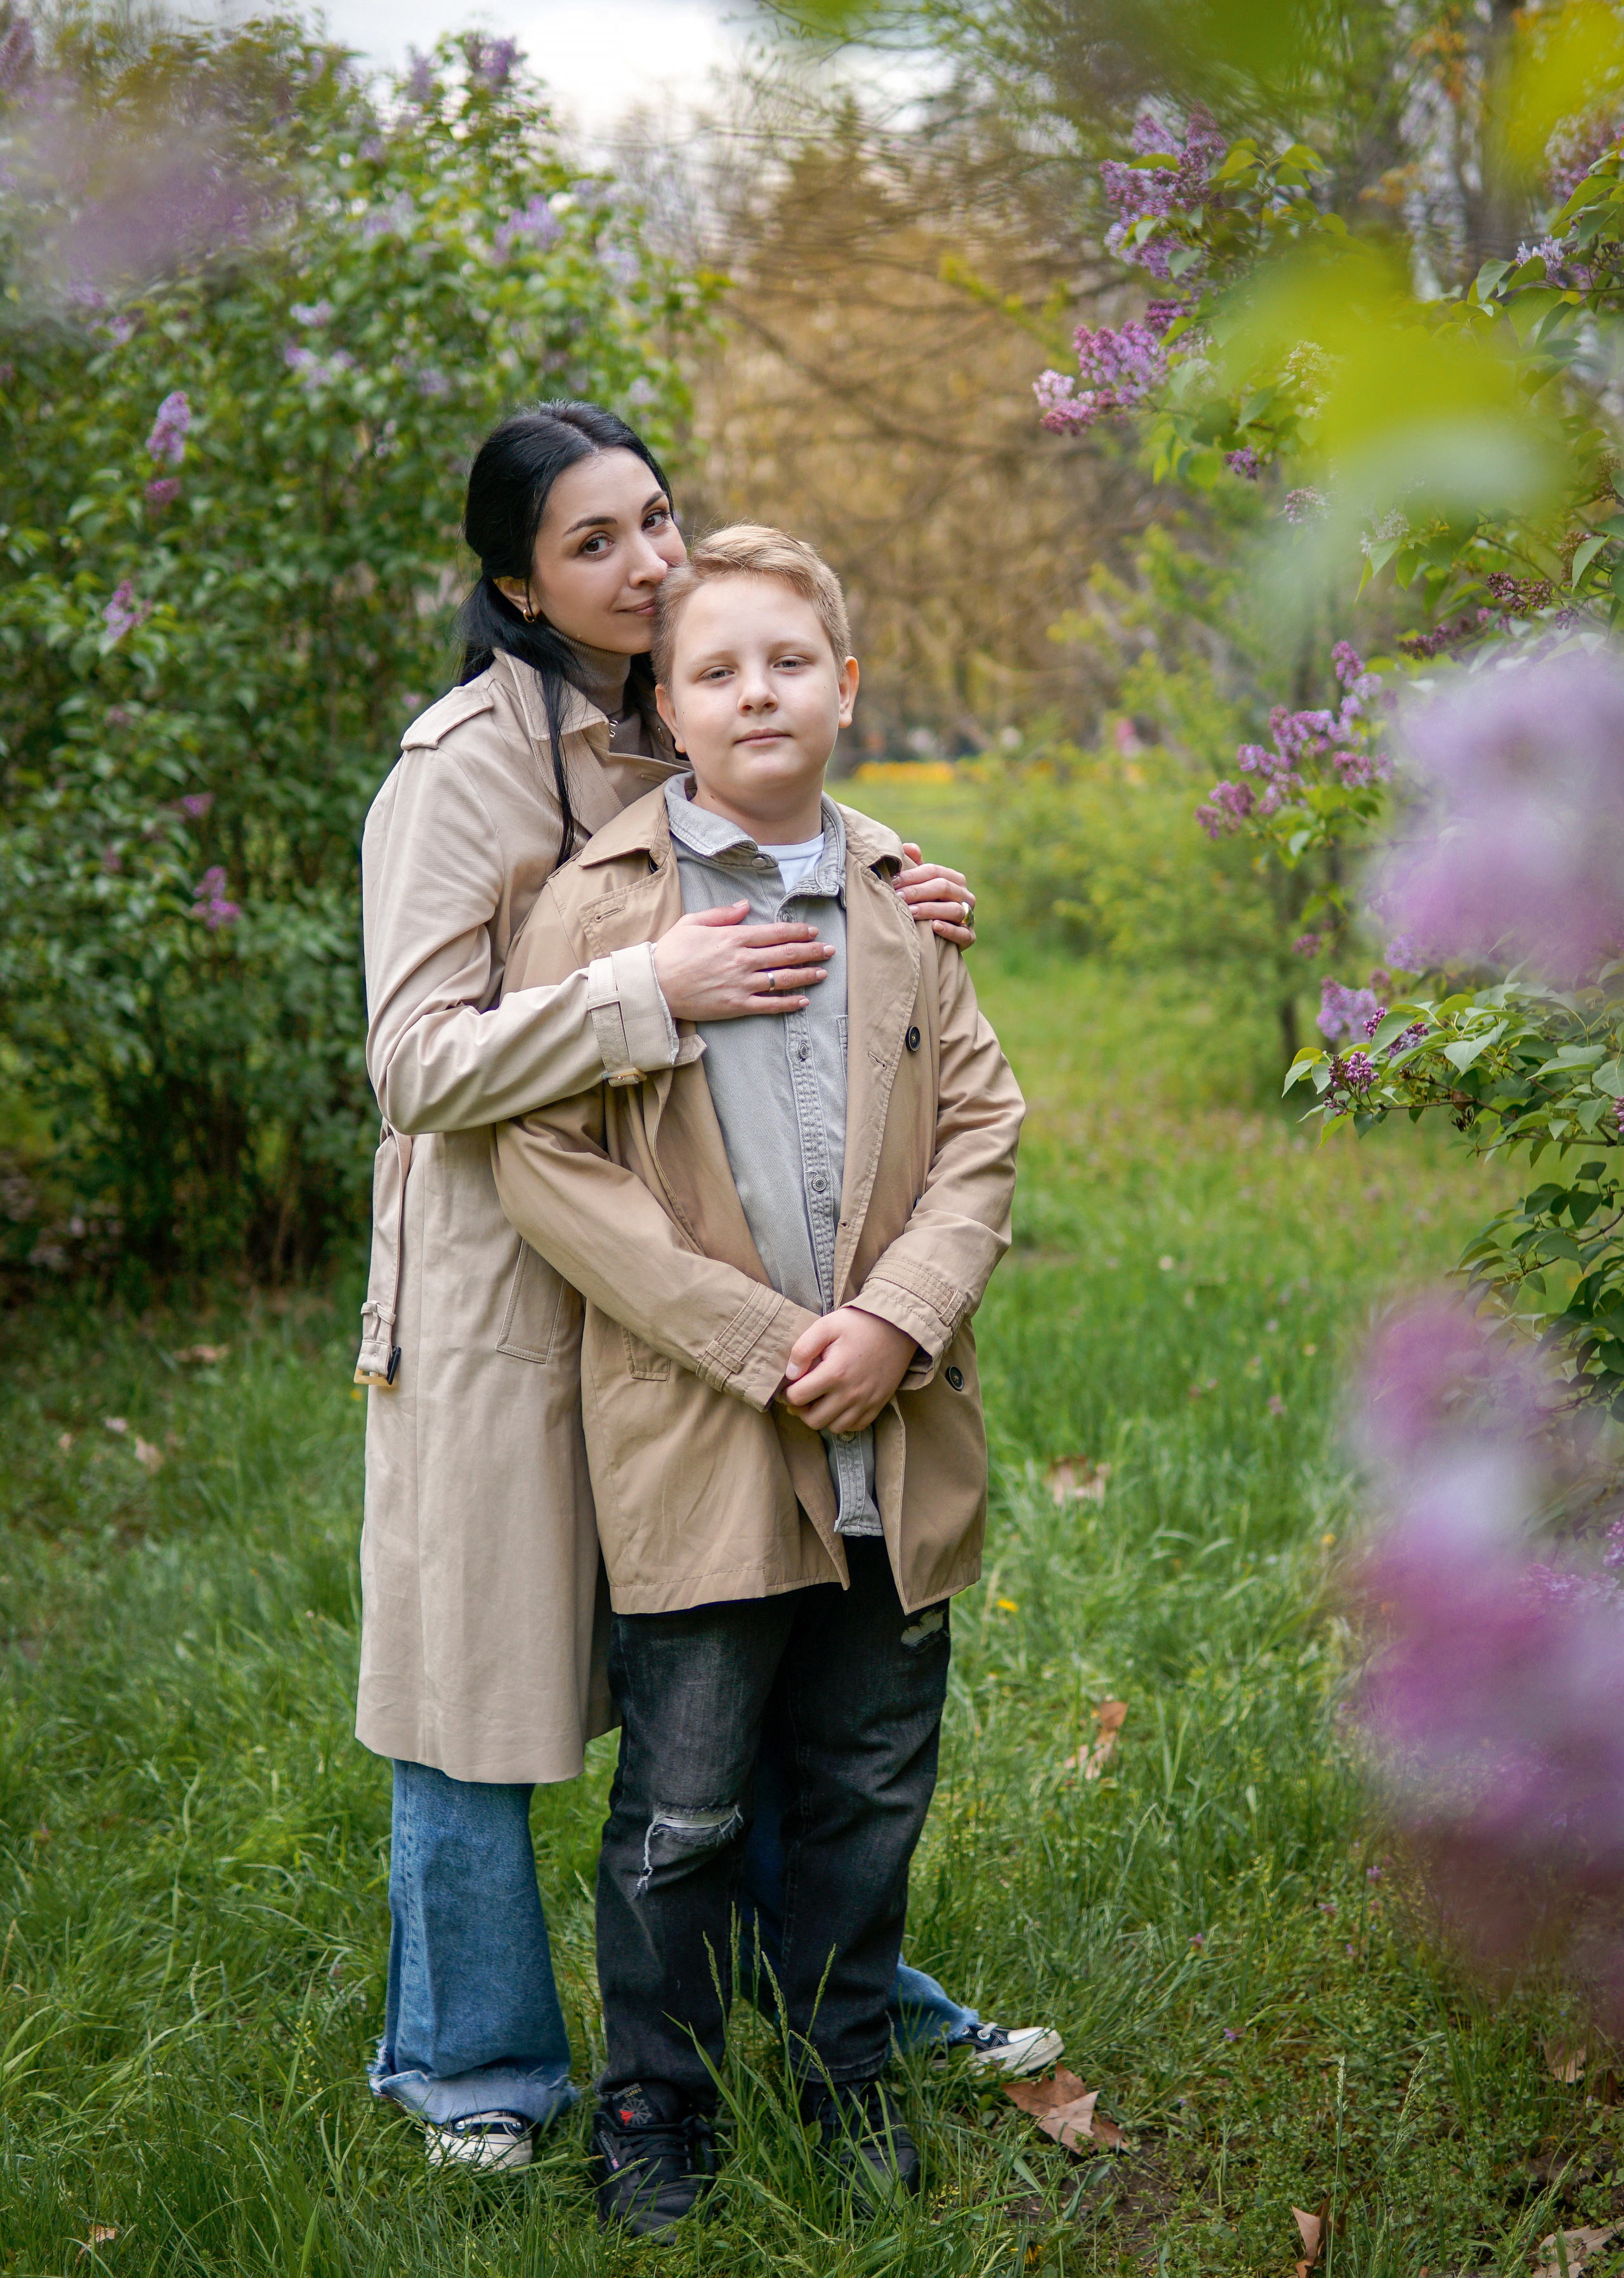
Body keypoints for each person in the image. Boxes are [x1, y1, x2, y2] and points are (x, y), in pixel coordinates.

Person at [355, 403, 1056, 2173]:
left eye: (656, 520)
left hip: (720, 1253)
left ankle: (847, 2013)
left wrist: (898, 870)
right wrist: (649, 986)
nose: (647, 563)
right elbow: (418, 1066)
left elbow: (778, 787)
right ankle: (484, 2075)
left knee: (762, 1665)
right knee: (481, 1686)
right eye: (594, 544)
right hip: (507, 1285)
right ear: (517, 581)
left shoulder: (659, 701)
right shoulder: (464, 764)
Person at [492, 524, 1027, 2233]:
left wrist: (899, 1319)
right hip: (706, 1441)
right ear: (670, 702)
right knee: (690, 1799)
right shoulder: (604, 909)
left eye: (790, 660)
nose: (757, 691)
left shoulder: (899, 892)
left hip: (896, 1429)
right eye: (715, 669)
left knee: (871, 1778)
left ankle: (845, 2068)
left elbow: (983, 1135)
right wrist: (760, 1344)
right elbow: (544, 1166)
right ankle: (657, 2098)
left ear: (847, 686)